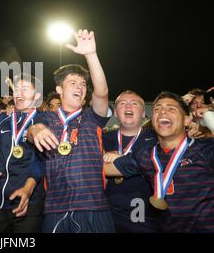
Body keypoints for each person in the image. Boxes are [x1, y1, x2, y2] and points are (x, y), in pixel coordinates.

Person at [27, 29, 115, 233]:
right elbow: (32, 132)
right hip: (56, 207)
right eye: (73, 83)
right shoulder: (46, 118)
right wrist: (37, 129)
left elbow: (102, 93)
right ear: (59, 89)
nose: (80, 87)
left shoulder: (92, 118)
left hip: (93, 206)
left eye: (83, 84)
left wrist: (91, 55)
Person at [104, 92, 214, 232]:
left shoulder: (206, 149)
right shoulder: (146, 156)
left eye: (171, 109)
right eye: (157, 109)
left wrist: (208, 114)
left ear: (187, 120)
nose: (162, 112)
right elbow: (103, 169)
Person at [0, 73, 45, 233]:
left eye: (25, 89)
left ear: (36, 95)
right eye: (16, 89)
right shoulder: (2, 119)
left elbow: (41, 160)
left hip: (28, 203)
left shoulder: (43, 122)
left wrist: (28, 188)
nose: (19, 93)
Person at [102, 90, 160, 232]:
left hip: (142, 213)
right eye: (122, 104)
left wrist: (120, 159)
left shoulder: (157, 139)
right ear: (115, 112)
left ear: (144, 113)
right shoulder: (102, 138)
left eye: (134, 103)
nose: (128, 107)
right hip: (106, 212)